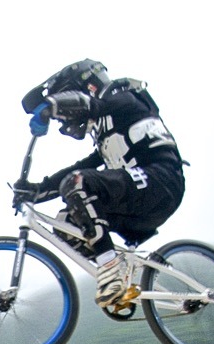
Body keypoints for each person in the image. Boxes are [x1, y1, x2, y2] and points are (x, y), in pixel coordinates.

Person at [16, 59, 186, 310]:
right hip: (140, 199)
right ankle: (120, 284)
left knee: (77, 183)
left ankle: (110, 269)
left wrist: (52, 105)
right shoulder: (106, 131)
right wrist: (36, 191)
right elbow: (84, 164)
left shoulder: (126, 98)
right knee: (67, 227)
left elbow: (94, 106)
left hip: (162, 182)